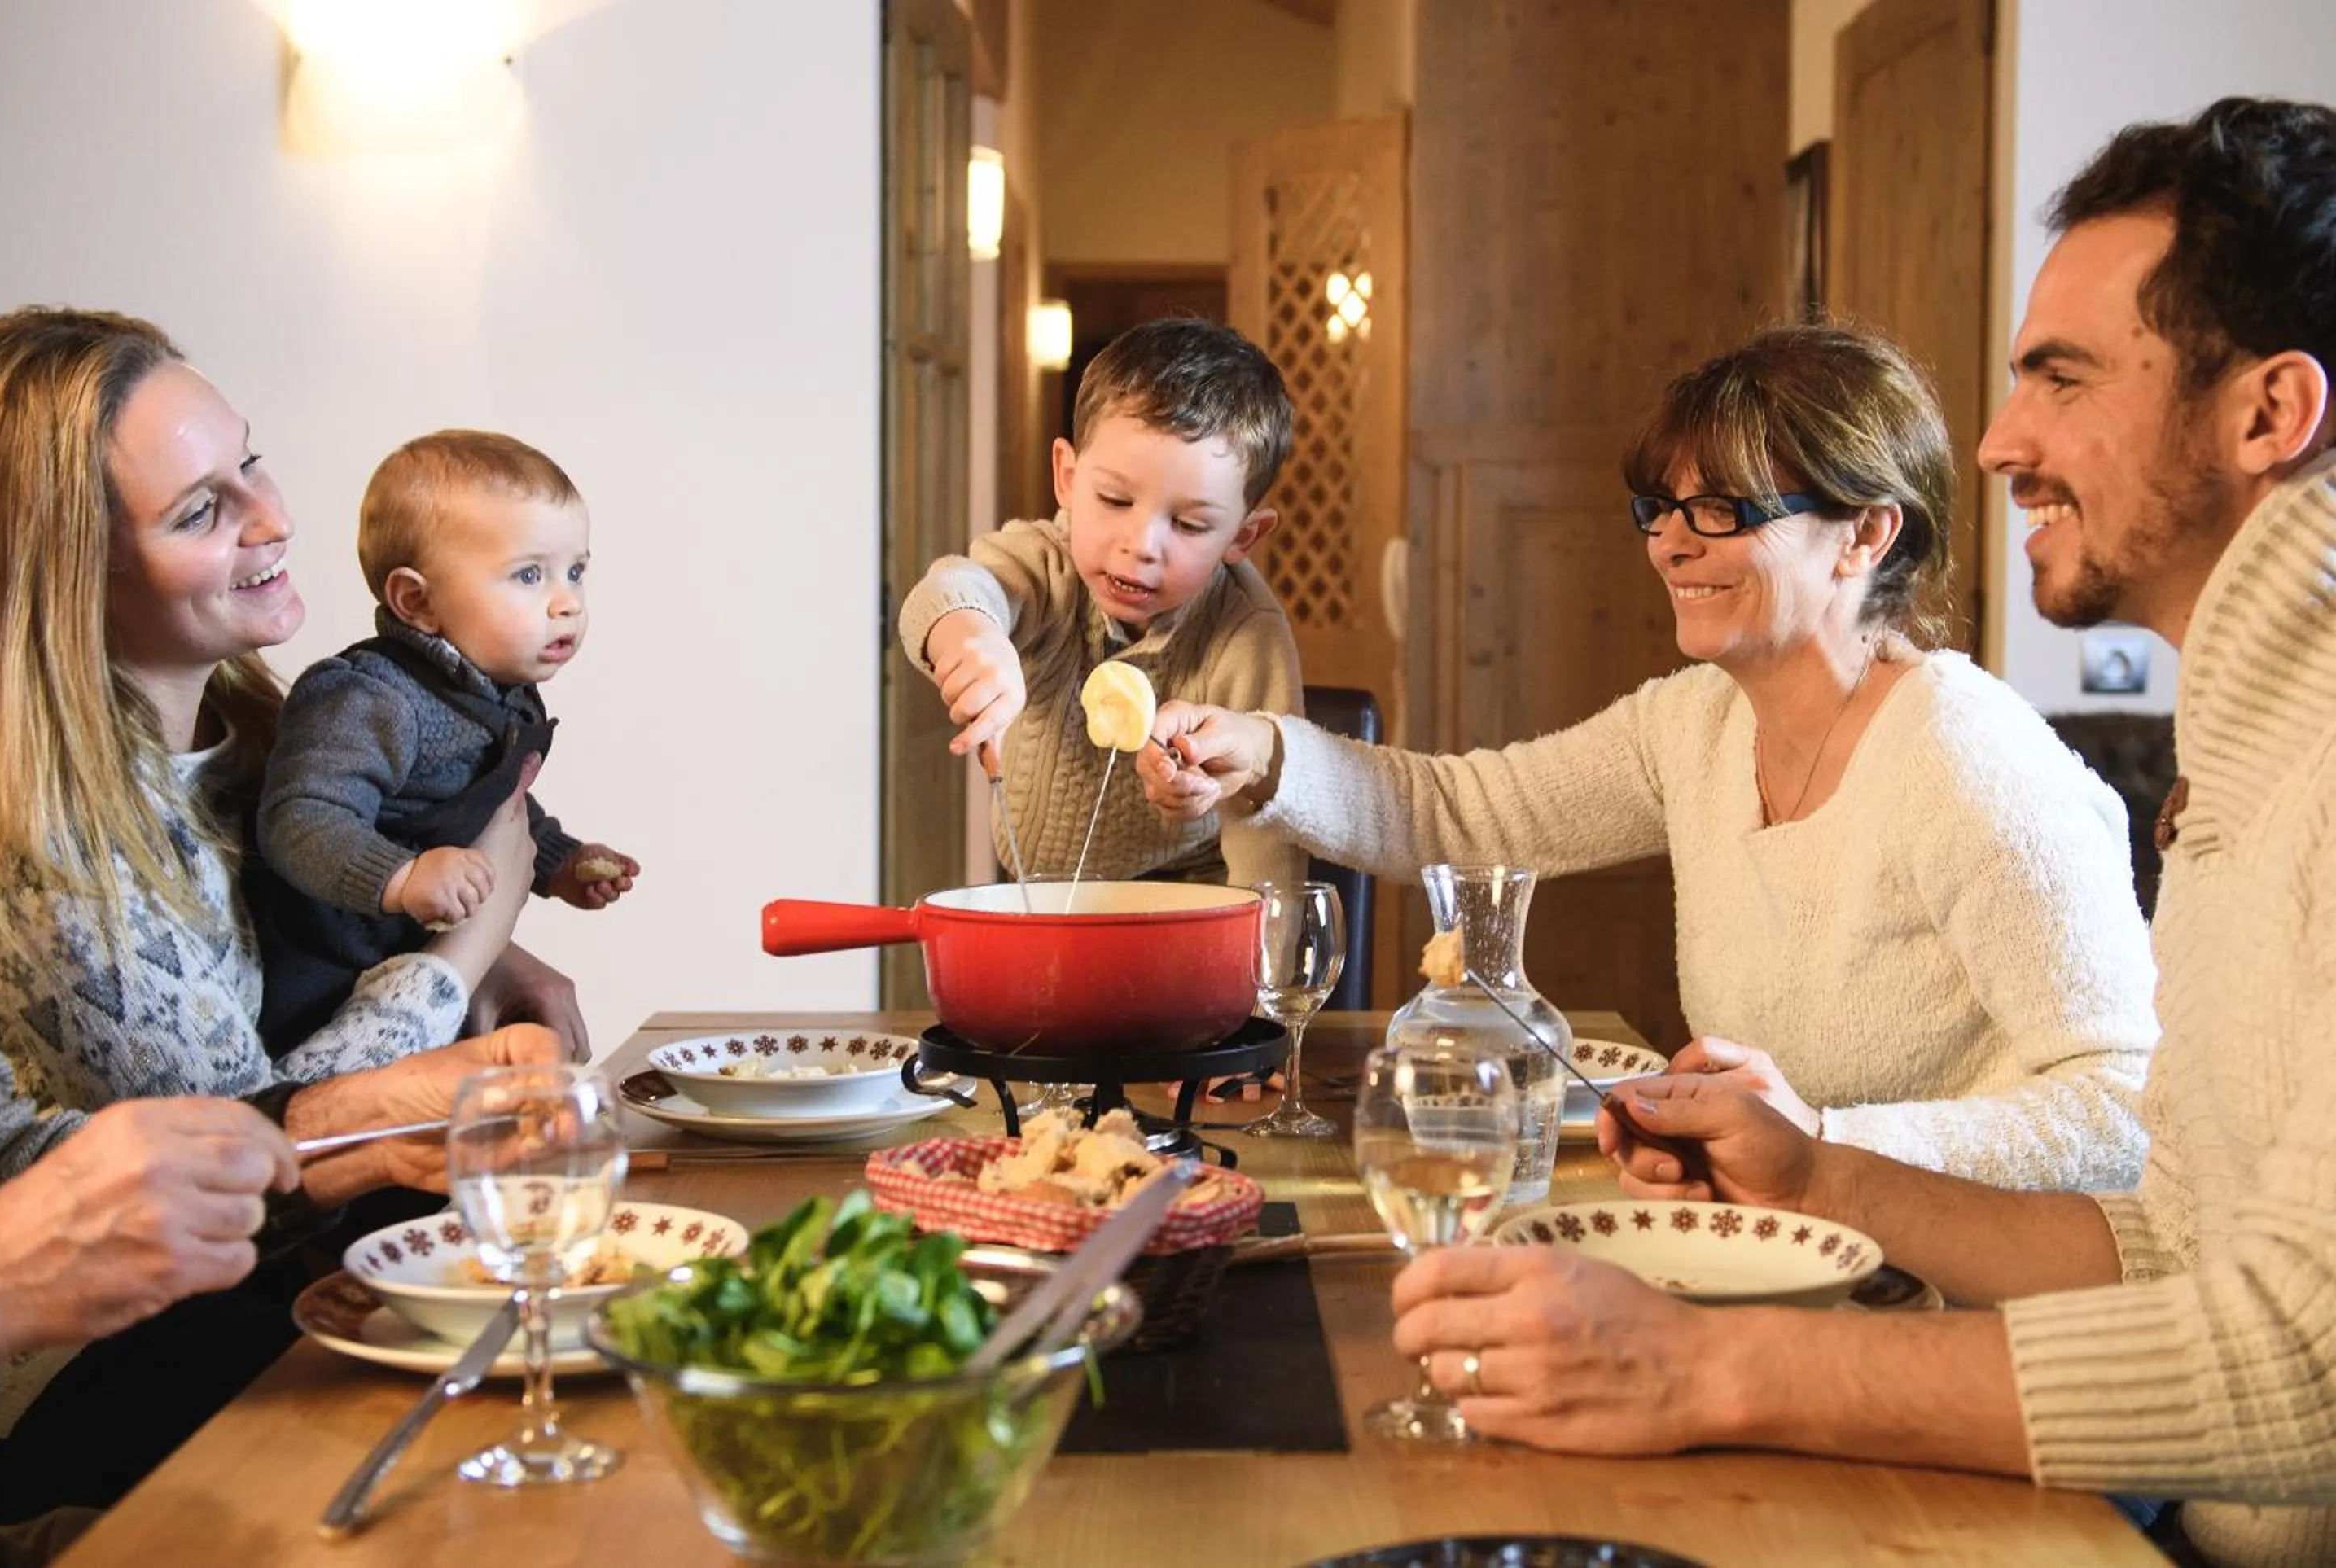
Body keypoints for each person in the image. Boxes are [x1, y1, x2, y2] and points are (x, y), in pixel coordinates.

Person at [1390, 97, 2336, 1568]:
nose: (2002, 440)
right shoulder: (2249, 752)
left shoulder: (2239, 766)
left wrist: (1703, 1370)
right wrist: (1813, 1175)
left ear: (2267, 414)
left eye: (2064, 379)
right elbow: (2167, 1234)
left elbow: (2305, 1368)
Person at [0, 144, 563, 1568]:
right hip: (115, 1379)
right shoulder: (31, 844)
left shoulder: (267, 749)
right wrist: (459, 947)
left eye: (247, 459)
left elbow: (4, 1158)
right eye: (201, 509)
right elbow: (214, 1144)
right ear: (64, 570)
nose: (273, 516)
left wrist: (495, 938)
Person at [1141, 322, 2157, 1191]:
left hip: (1955, 1304)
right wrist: (1262, 754)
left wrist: (1824, 1145)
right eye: (1659, 509)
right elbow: (1462, 814)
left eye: (1721, 511)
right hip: (1786, 1244)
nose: (1669, 545)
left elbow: (2126, 1108)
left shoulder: (1965, 756)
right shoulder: (1697, 723)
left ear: (1865, 535)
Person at [250, 428, 638, 1047]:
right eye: (530, 575)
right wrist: (403, 877)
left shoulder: (492, 694)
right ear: (417, 602)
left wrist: (559, 859)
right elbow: (301, 818)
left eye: (576, 571)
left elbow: (480, 803)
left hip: (414, 969)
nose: (567, 603)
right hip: (320, 982)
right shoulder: (367, 698)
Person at [901, 316, 1307, 890]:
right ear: (1067, 477)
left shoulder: (1247, 635)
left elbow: (1269, 820)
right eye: (1115, 500)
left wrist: (1268, 965)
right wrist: (972, 635)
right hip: (1036, 885)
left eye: (1189, 524)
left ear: (1242, 537)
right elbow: (951, 589)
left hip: (1185, 890)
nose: (1140, 547)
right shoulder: (1047, 566)